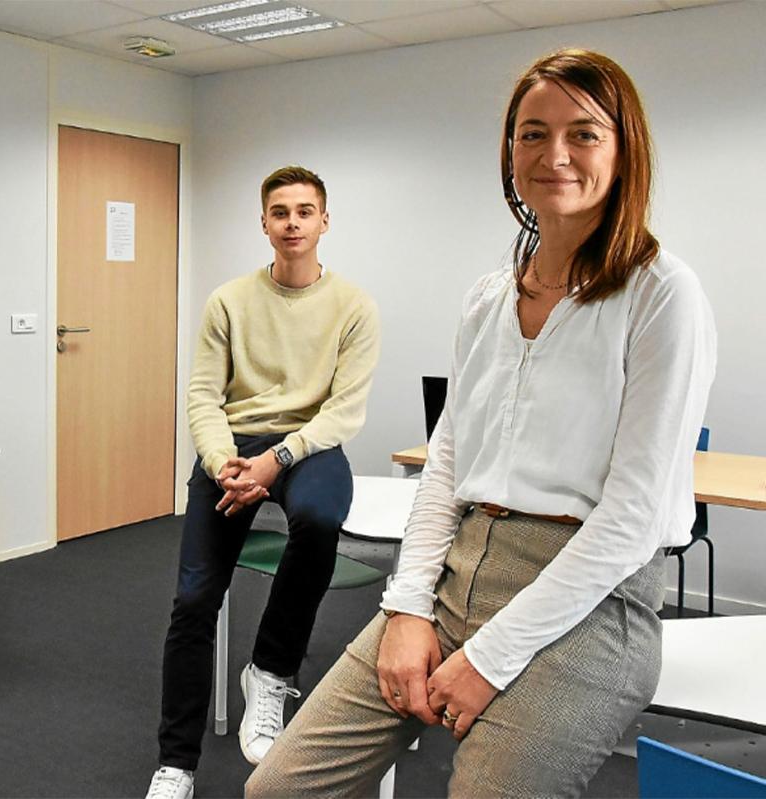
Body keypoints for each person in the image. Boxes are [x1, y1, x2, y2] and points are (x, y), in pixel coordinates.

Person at [245, 49, 717, 798]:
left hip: (591, 602)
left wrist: (489, 656)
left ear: (625, 151)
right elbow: (447, 465)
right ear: (509, 150)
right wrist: (405, 607)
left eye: (584, 134)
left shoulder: (663, 295)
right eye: (532, 134)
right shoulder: (488, 298)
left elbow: (630, 519)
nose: (553, 154)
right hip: (458, 566)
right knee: (276, 788)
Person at [146, 166, 381, 799]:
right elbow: (202, 394)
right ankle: (176, 764)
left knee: (320, 520)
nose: (293, 223)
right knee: (194, 602)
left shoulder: (353, 306)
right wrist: (224, 461)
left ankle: (270, 670)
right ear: (265, 224)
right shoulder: (229, 300)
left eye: (305, 212)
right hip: (232, 449)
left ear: (324, 221)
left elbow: (343, 411)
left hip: (307, 446)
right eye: (281, 212)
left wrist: (278, 459)